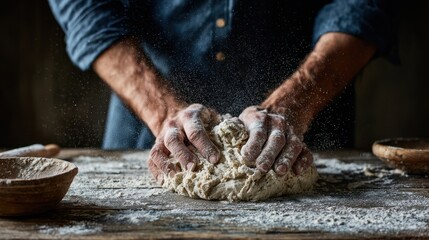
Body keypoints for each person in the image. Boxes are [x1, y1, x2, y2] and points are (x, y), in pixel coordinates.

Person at [49, 0, 397, 183]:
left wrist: (294, 104)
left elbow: (365, 4)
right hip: (149, 130)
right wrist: (162, 110)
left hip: (303, 134)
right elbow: (85, 5)